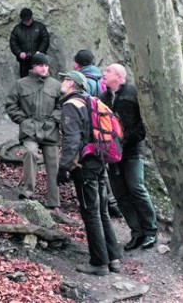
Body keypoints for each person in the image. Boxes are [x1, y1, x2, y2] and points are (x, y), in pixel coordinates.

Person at [56, 70, 122, 275]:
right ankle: (114, 258)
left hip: (85, 167)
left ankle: (99, 263)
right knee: (102, 211)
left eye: (65, 79)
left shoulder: (70, 105)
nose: (63, 82)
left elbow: (71, 140)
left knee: (90, 213)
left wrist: (64, 167)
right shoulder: (90, 101)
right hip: (100, 162)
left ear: (72, 84)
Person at [101, 63, 158, 250]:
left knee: (137, 188)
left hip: (132, 151)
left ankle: (150, 231)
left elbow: (144, 124)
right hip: (112, 154)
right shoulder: (103, 98)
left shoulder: (133, 94)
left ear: (118, 76)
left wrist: (125, 141)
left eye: (108, 71)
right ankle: (136, 232)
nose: (104, 73)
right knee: (120, 194)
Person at [5, 53, 61, 208]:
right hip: (29, 128)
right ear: (33, 66)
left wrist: (53, 120)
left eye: (46, 65)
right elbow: (11, 104)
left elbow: (61, 106)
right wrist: (22, 120)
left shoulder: (56, 85)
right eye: (41, 65)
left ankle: (54, 201)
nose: (44, 68)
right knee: (30, 152)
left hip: (50, 129)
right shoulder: (21, 84)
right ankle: (28, 191)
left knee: (53, 161)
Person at [73, 50, 122, 219]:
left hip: (92, 130)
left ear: (77, 64)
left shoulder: (82, 80)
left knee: (95, 167)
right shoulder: (102, 80)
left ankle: (106, 205)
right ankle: (112, 203)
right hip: (105, 129)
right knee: (104, 167)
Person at [9, 8, 50, 78]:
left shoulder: (39, 26)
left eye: (29, 20)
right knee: (25, 80)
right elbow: (13, 43)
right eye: (25, 20)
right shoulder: (17, 29)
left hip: (39, 60)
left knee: (41, 78)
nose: (27, 22)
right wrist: (19, 53)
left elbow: (45, 39)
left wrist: (40, 51)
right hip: (24, 61)